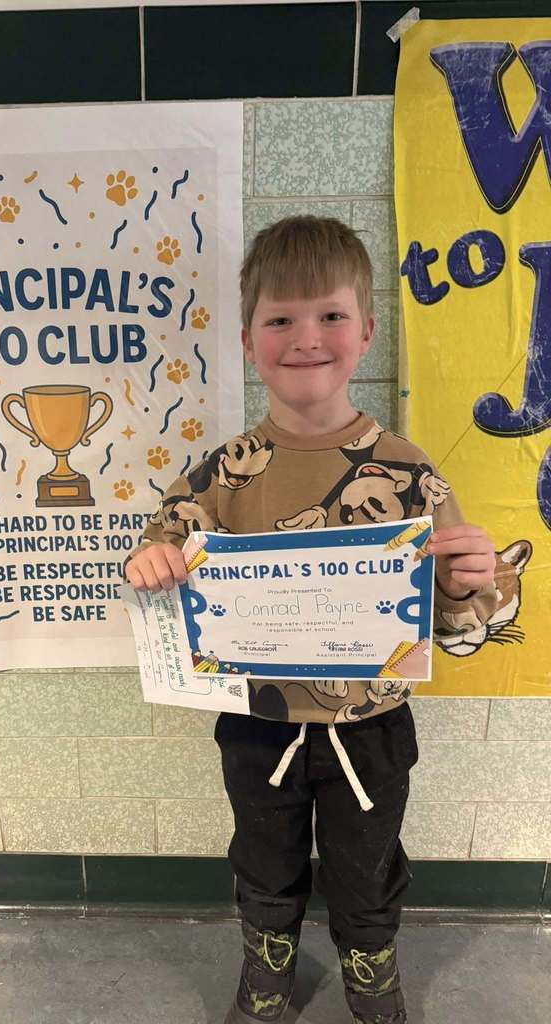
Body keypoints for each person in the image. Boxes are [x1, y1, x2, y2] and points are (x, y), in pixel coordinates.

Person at [123, 216, 498, 1024]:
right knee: (263, 861)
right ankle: (268, 973)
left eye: (329, 315)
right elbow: (156, 553)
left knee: (367, 869)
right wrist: (149, 562)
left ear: (366, 330)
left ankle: (371, 973)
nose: (306, 337)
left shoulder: (407, 472)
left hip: (373, 728)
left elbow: (461, 632)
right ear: (250, 339)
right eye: (280, 319)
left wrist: (472, 583)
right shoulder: (222, 473)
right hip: (258, 725)